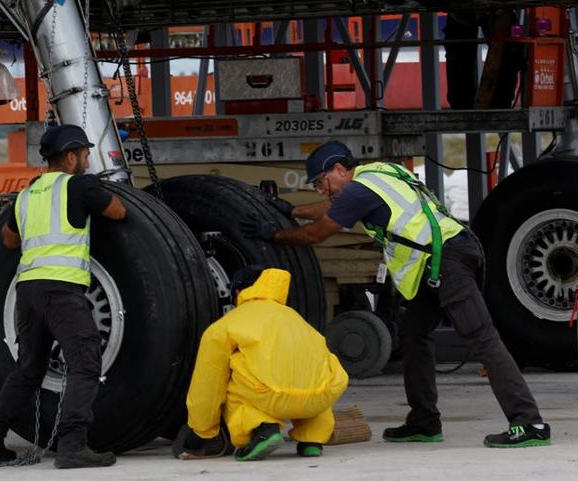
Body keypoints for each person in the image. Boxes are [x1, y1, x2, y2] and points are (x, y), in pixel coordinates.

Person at [241, 141, 551, 449]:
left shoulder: (357, 190)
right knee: (414, 334)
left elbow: (316, 233)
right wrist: (292, 210)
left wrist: (274, 234)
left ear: (339, 169)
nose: (322, 190)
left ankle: (528, 421)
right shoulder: (378, 173)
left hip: (445, 260)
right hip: (439, 260)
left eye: (321, 182)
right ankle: (424, 421)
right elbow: (335, 208)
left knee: (482, 337)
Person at [0, 124, 127, 469]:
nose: (88, 161)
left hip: (27, 289)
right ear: (70, 157)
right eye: (86, 155)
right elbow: (119, 211)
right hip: (62, 289)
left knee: (28, 368)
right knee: (85, 361)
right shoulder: (80, 185)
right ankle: (73, 445)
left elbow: (9, 240)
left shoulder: (28, 194)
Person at [174, 266, 349, 461]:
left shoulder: (226, 325)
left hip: (269, 396)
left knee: (232, 379)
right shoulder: (295, 318)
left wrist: (200, 433)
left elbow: (207, 385)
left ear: (238, 292)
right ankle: (312, 441)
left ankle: (262, 429)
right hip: (320, 398)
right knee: (313, 373)